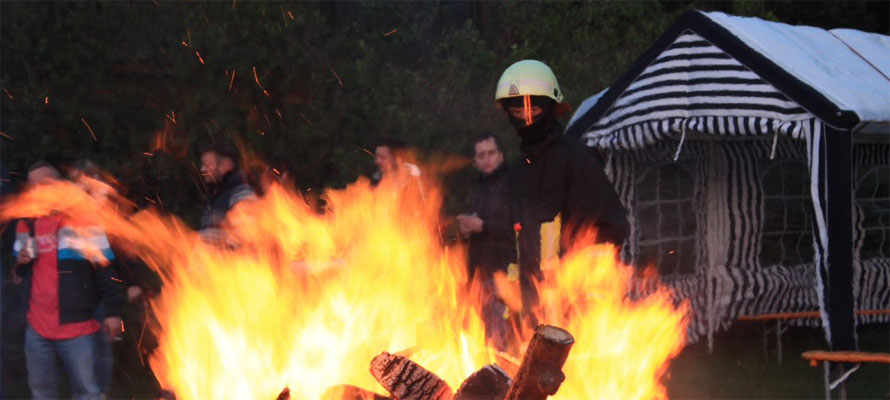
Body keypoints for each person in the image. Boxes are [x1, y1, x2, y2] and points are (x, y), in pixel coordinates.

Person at [494, 60, 629, 321]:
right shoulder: (518, 171)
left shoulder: (577, 159)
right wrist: (516, 306)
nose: (527, 117)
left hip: (578, 316)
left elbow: (610, 229)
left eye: (534, 107)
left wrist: (579, 293)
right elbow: (517, 245)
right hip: (532, 319)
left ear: (552, 108)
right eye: (518, 110)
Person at [13, 161, 124, 400]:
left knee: (87, 392)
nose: (36, 191)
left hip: (77, 329)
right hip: (37, 329)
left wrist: (113, 312)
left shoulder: (84, 220)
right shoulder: (26, 223)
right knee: (42, 393)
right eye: (32, 186)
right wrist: (21, 263)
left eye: (43, 184)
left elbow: (106, 270)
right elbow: (18, 274)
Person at [456, 132, 516, 351]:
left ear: (501, 155)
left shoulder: (513, 183)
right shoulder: (479, 188)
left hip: (505, 273)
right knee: (482, 341)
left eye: (491, 153)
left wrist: (483, 226)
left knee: (503, 341)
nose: (487, 159)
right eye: (481, 155)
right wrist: (465, 231)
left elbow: (519, 226)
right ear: (475, 161)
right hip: (479, 276)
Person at [198, 141, 256, 245]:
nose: (202, 170)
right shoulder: (216, 198)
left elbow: (244, 235)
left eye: (207, 165)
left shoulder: (241, 193)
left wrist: (218, 257)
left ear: (224, 165)